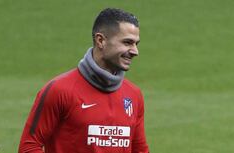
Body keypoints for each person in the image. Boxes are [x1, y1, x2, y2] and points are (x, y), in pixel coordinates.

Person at [19, 8, 149, 153]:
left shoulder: (133, 95)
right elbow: (29, 147)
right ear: (101, 40)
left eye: (136, 44)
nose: (135, 51)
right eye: (127, 42)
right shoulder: (59, 90)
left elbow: (140, 150)